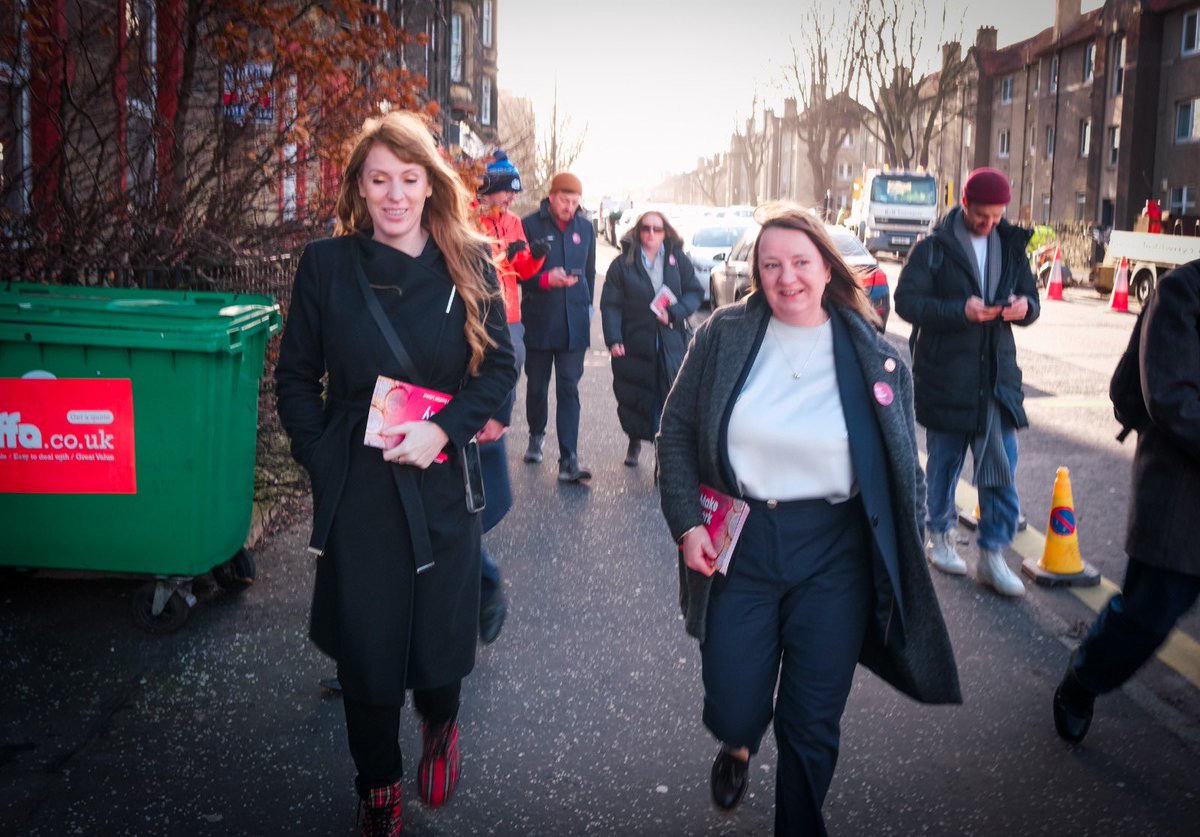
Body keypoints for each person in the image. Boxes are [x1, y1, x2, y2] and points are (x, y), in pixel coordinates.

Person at [657, 204, 961, 835]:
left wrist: (906, 548)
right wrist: (688, 525)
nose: (786, 278)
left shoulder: (874, 356)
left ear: (827, 267)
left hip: (836, 552)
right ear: (755, 272)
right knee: (736, 703)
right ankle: (739, 743)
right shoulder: (724, 334)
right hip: (741, 542)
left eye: (800, 262)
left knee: (812, 718)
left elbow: (905, 465)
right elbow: (678, 432)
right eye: (771, 265)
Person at [275, 110, 516, 834]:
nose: (393, 194)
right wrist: (325, 458)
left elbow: (499, 367)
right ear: (359, 187)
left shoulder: (469, 260)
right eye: (378, 179)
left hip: (441, 480)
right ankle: (376, 783)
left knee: (440, 641)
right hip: (361, 484)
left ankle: (441, 724)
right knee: (369, 645)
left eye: (408, 178)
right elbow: (294, 378)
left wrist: (443, 428)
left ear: (430, 184)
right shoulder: (326, 264)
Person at [1052, 258, 1200, 744]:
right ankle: (1085, 679)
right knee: (1148, 613)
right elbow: (1171, 398)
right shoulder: (1183, 291)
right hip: (1182, 489)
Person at [894, 166, 1040, 598]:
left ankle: (993, 554)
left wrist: (1023, 308)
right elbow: (907, 302)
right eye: (983, 216)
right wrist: (961, 310)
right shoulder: (933, 248)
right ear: (964, 204)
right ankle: (939, 535)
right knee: (943, 464)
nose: (991, 224)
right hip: (946, 377)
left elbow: (1032, 300)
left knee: (1001, 468)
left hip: (996, 379)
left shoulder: (1012, 247)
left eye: (997, 216)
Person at [473, 150, 548, 644]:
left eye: (514, 192)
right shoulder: (467, 218)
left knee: (506, 369)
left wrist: (534, 253)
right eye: (507, 190)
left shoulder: (512, 222)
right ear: (490, 190)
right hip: (476, 309)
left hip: (509, 312)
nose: (512, 198)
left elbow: (522, 270)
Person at [601, 210, 702, 467]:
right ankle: (635, 438)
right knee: (636, 394)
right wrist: (614, 338)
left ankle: (663, 453)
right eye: (646, 228)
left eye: (657, 229)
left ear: (665, 232)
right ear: (638, 231)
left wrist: (674, 314)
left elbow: (694, 291)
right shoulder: (622, 264)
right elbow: (611, 304)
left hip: (670, 341)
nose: (651, 234)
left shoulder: (677, 260)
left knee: (668, 394)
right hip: (635, 339)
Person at [520, 171, 597, 482]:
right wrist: (543, 280)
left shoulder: (586, 228)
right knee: (537, 387)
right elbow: (515, 273)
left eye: (575, 202)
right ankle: (536, 434)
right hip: (539, 320)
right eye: (565, 200)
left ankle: (569, 459)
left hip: (573, 324)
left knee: (569, 388)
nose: (570, 207)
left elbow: (590, 272)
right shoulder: (528, 225)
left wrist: (587, 308)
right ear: (551, 197)